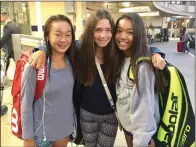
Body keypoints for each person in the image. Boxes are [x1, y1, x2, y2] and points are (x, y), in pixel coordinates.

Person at [27, 9, 165, 147]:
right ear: (90, 30)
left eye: (108, 30)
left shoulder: (117, 51)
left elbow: (139, 47)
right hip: (86, 114)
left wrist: (156, 53)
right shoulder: (80, 49)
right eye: (98, 30)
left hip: (110, 116)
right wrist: (41, 50)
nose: (103, 35)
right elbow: (58, 44)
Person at [21, 14, 77, 147]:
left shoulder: (73, 62)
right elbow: (26, 104)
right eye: (57, 34)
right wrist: (28, 138)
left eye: (68, 35)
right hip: (40, 134)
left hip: (64, 131)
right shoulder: (35, 66)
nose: (63, 39)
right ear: (47, 36)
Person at [115, 12, 164, 147]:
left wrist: (141, 142)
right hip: (129, 129)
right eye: (119, 31)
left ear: (138, 35)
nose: (122, 36)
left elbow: (145, 112)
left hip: (142, 137)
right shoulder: (121, 58)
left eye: (129, 32)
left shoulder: (142, 67)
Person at [0, 11, 21, 75]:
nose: (0, 19)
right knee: (17, 62)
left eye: (0, 17)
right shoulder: (14, 25)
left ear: (4, 17)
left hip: (10, 49)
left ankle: (4, 75)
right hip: (16, 47)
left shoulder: (7, 26)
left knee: (5, 61)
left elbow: (4, 38)